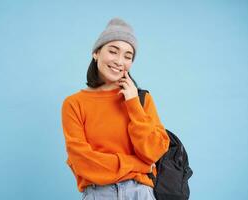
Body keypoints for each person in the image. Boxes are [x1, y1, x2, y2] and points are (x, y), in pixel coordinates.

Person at [61, 17, 170, 200]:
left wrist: (133, 105)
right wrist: (140, 165)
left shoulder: (142, 100)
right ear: (96, 53)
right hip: (98, 194)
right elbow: (83, 163)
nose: (120, 61)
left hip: (141, 193)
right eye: (113, 51)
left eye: (128, 56)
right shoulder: (74, 104)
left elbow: (154, 152)